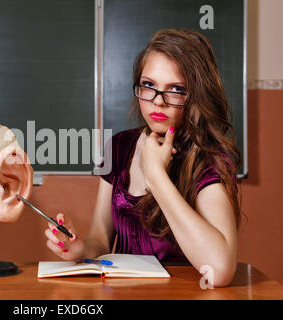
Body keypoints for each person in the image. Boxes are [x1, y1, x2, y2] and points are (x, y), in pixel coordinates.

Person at [44, 29, 242, 287]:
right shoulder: (118, 146)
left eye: (176, 89)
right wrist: (81, 250)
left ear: (195, 95)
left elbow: (219, 270)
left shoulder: (211, 159)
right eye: (149, 85)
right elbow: (100, 240)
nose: (158, 102)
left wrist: (156, 176)